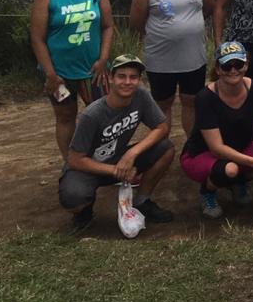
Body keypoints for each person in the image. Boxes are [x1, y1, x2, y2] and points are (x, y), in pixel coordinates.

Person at [58, 54, 174, 231]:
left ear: (139, 80)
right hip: (87, 167)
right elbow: (74, 159)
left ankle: (142, 201)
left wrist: (131, 153)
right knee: (73, 198)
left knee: (166, 148)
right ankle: (84, 212)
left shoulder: (141, 96)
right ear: (110, 79)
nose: (127, 82)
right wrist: (116, 170)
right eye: (121, 76)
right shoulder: (92, 114)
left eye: (133, 77)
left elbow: (162, 127)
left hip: (118, 157)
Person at [181, 41, 253, 219]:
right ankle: (208, 191)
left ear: (246, 65)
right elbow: (217, 148)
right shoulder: (205, 97)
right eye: (227, 66)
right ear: (217, 69)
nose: (233, 70)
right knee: (229, 170)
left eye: (238, 64)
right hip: (204, 152)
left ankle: (238, 182)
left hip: (242, 147)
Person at [31, 0, 114, 162]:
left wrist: (104, 58)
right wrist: (50, 74)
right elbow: (38, 39)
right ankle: (72, 162)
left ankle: (107, 159)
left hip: (94, 69)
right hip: (60, 72)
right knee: (65, 117)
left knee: (105, 116)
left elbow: (108, 26)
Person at [128, 0, 214, 137]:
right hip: (160, 59)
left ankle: (192, 145)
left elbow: (208, 7)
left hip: (193, 56)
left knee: (191, 101)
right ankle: (162, 144)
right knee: (162, 103)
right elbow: (136, 21)